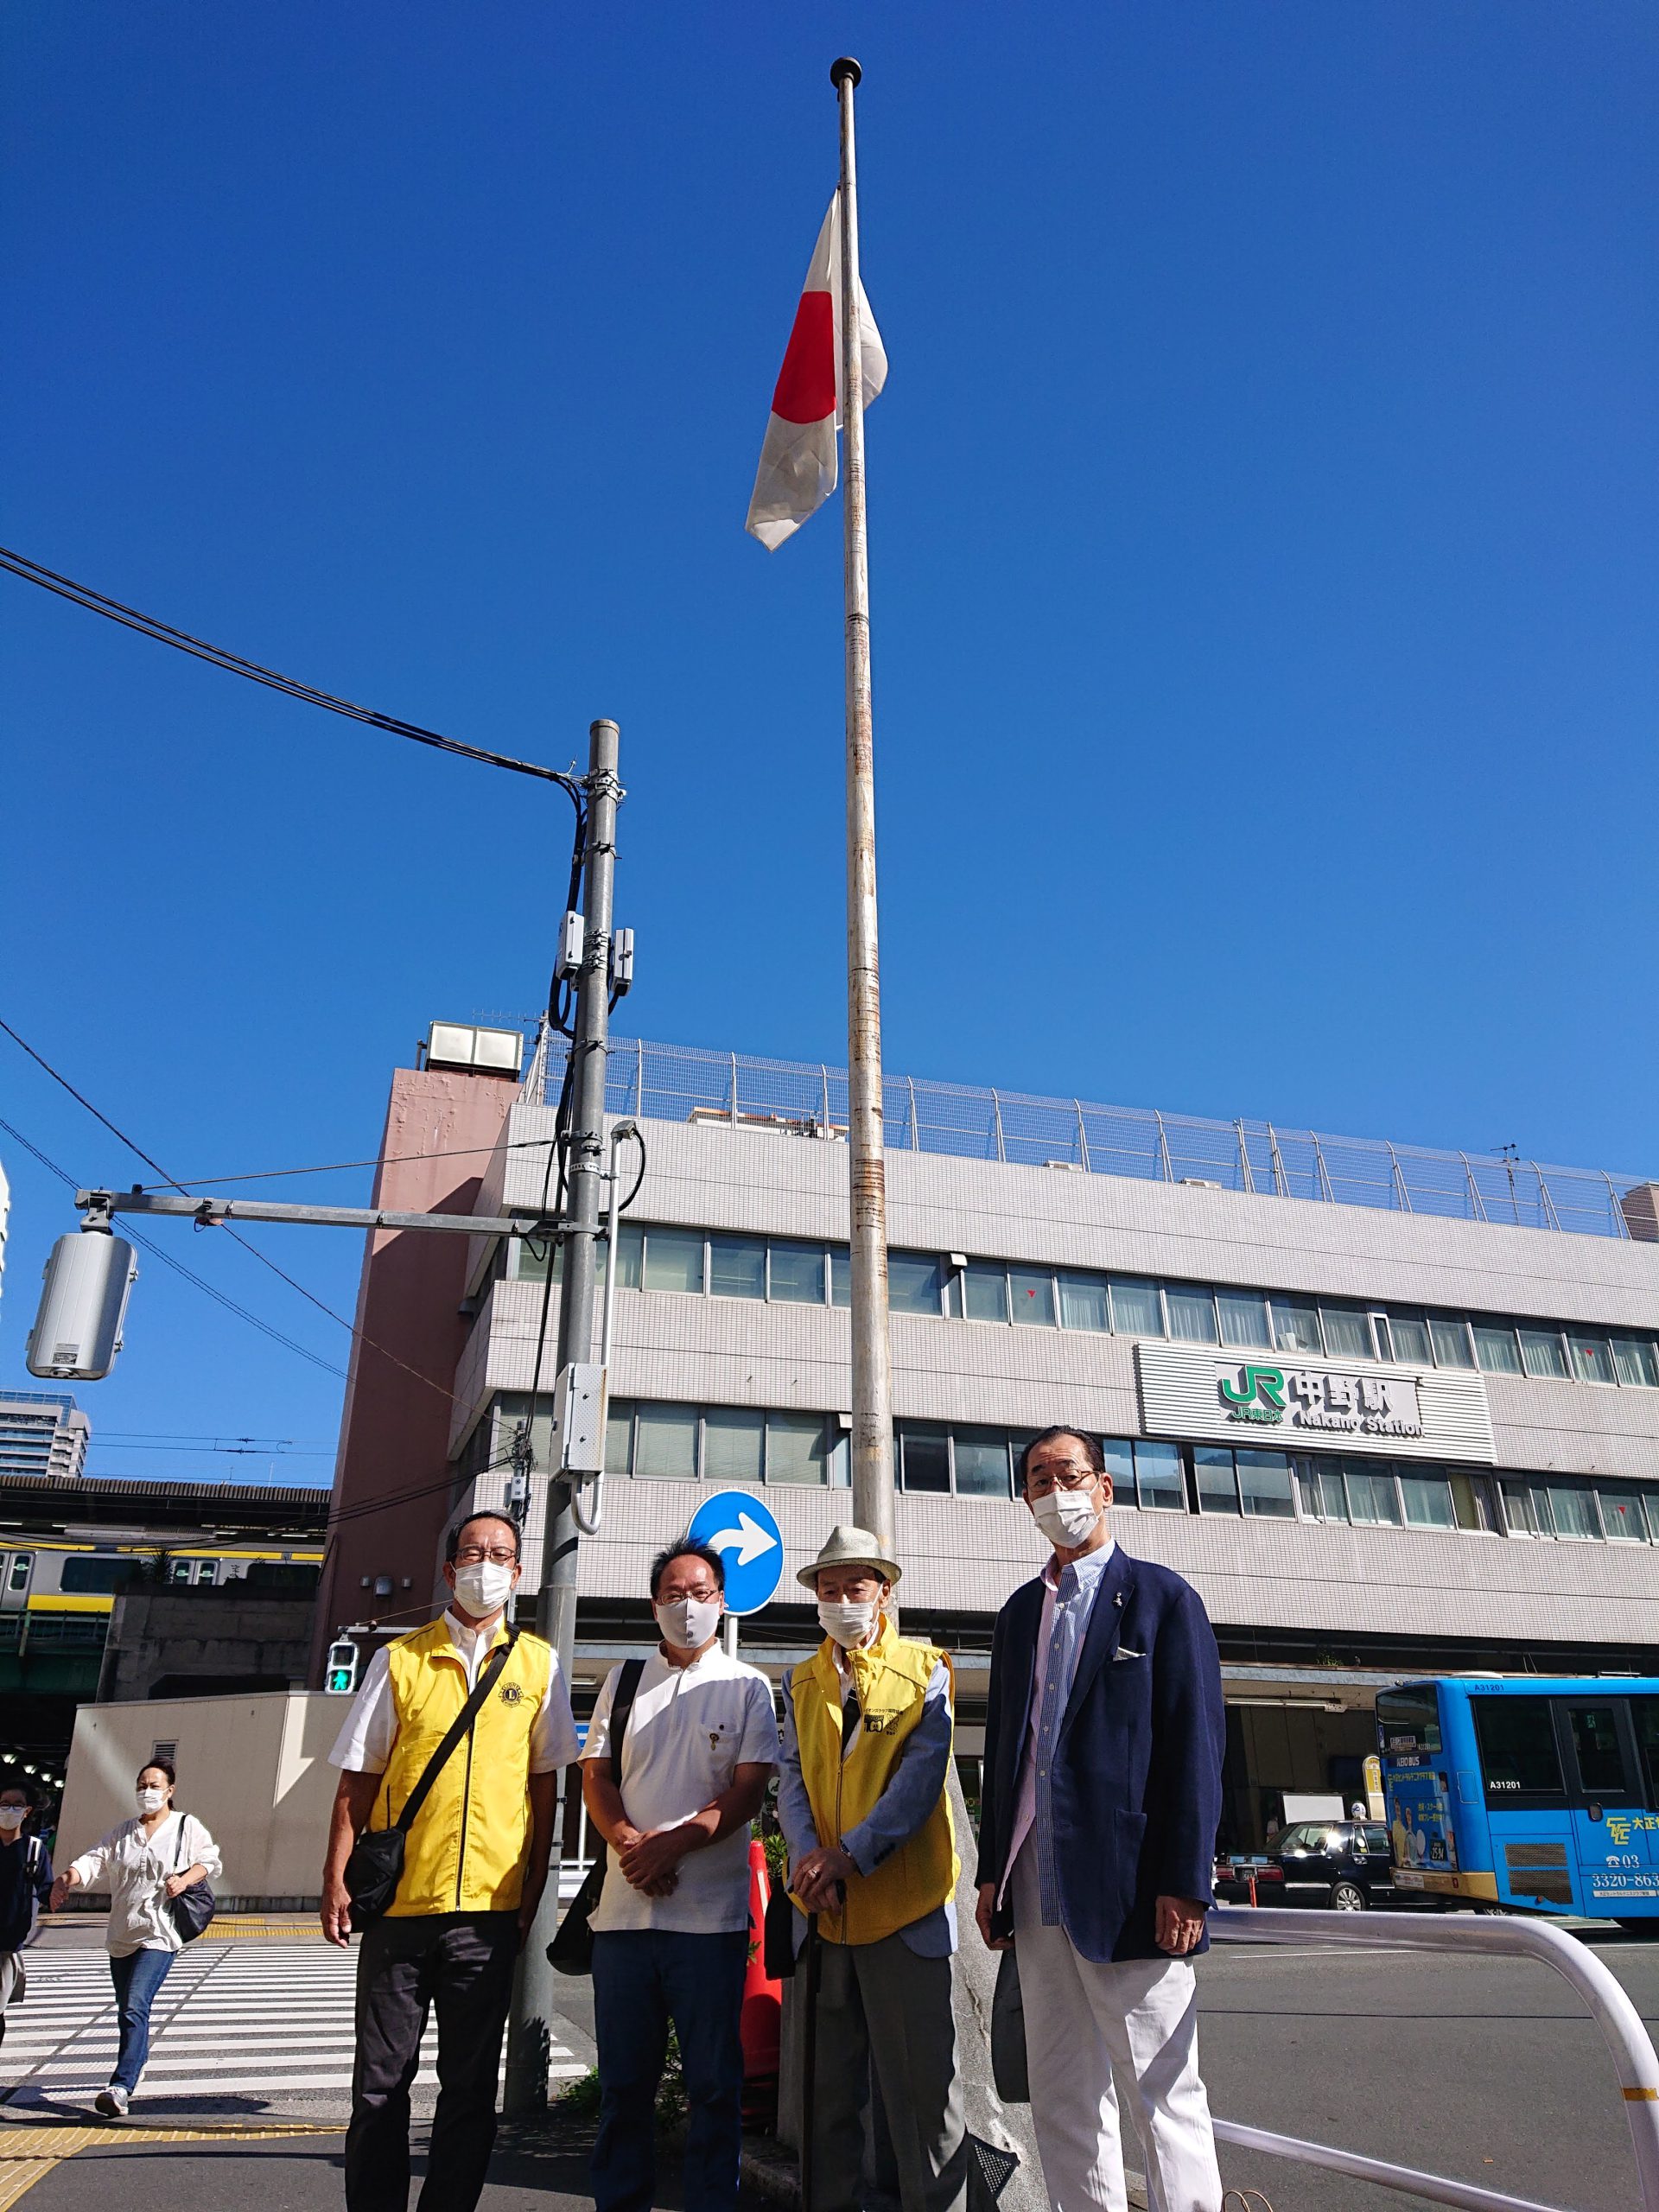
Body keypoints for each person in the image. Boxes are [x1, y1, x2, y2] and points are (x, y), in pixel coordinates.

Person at [976, 1427, 1227, 2212]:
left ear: (1106, 1487)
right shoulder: (1020, 1614)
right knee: (1062, 2092)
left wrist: (1186, 1881)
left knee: (1163, 2089)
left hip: (1131, 1887)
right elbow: (1004, 1753)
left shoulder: (1162, 1599)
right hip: (1035, 1885)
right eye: (1039, 1480)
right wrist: (991, 1874)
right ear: (1026, 1500)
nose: (1057, 1492)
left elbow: (1196, 1746)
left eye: (1069, 1474)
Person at [321, 1509, 578, 2212]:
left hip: (488, 1916)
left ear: (519, 1573)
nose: (486, 1565)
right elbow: (358, 1777)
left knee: (469, 2090)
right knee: (380, 2084)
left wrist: (530, 1898)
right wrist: (334, 1878)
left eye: (500, 1554)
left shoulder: (539, 1665)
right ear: (449, 1570)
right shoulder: (399, 1659)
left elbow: (545, 1785)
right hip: (399, 1911)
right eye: (473, 1552)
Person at [582, 1541, 778, 2212]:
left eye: (699, 1592)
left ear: (723, 1601)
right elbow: (597, 1777)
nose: (686, 1605)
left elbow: (748, 1792)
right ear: (653, 1604)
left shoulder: (748, 1685)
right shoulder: (625, 1679)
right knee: (624, 2088)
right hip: (623, 1918)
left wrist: (675, 1848)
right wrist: (630, 1841)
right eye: (672, 1593)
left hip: (709, 1921)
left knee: (714, 2087)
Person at [778, 1524, 967, 2212]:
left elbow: (919, 1785)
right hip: (824, 1916)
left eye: (854, 1587)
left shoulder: (928, 1667)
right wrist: (807, 1862)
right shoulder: (800, 1679)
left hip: (902, 1914)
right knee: (826, 2100)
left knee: (923, 2100)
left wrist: (847, 1856)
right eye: (828, 1590)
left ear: (884, 1592)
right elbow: (791, 1780)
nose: (840, 1600)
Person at [48, 1757, 219, 2116]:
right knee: (129, 2010)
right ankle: (135, 2060)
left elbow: (209, 1860)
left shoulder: (186, 1826)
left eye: (155, 1786)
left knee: (134, 2005)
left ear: (170, 1791)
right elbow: (94, 1860)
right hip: (122, 1932)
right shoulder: (123, 1832)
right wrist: (67, 1878)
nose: (147, 1791)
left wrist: (184, 1879)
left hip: (159, 1932)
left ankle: (121, 2086)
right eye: (142, 1785)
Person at [0, 1783, 53, 2056]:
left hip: (6, 1945)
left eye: (15, 1805)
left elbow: (47, 1889)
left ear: (26, 1811)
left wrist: (61, 1890)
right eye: (3, 1804)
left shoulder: (34, 1850)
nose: (8, 1810)